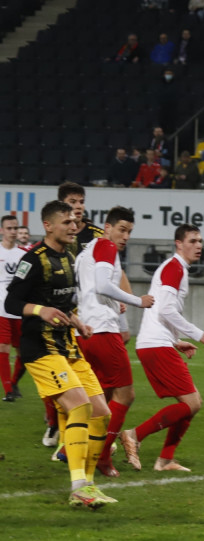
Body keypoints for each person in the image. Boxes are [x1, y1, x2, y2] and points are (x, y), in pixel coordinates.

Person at [3, 201, 115, 508]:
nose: (74, 226)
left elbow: (63, 304)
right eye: (66, 222)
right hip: (40, 348)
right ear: (48, 226)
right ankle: (78, 486)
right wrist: (41, 310)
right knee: (80, 406)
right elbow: (11, 303)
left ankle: (88, 486)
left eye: (74, 222)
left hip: (67, 345)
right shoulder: (33, 259)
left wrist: (77, 322)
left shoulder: (68, 257)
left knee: (102, 414)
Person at [115, 224, 204, 473]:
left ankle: (165, 460)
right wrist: (199, 334)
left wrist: (175, 341)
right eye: (192, 241)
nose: (198, 246)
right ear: (178, 244)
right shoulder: (174, 268)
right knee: (192, 403)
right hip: (155, 345)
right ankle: (134, 435)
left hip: (157, 342)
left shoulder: (175, 268)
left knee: (192, 403)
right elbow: (166, 310)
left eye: (200, 241)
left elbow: (159, 310)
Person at [74, 207, 156, 478]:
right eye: (122, 229)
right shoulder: (106, 246)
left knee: (101, 397)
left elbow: (85, 291)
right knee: (125, 395)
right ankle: (103, 455)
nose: (126, 236)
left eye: (129, 231)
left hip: (85, 332)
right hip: (102, 331)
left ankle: (76, 447)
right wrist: (137, 301)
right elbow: (102, 285)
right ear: (107, 228)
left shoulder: (85, 252)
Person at [0, 215, 26, 401]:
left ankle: (14, 382)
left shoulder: (23, 254)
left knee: (23, 352)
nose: (13, 231)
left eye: (15, 228)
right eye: (9, 228)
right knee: (3, 346)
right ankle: (8, 390)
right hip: (0, 308)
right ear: (2, 230)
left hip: (18, 308)